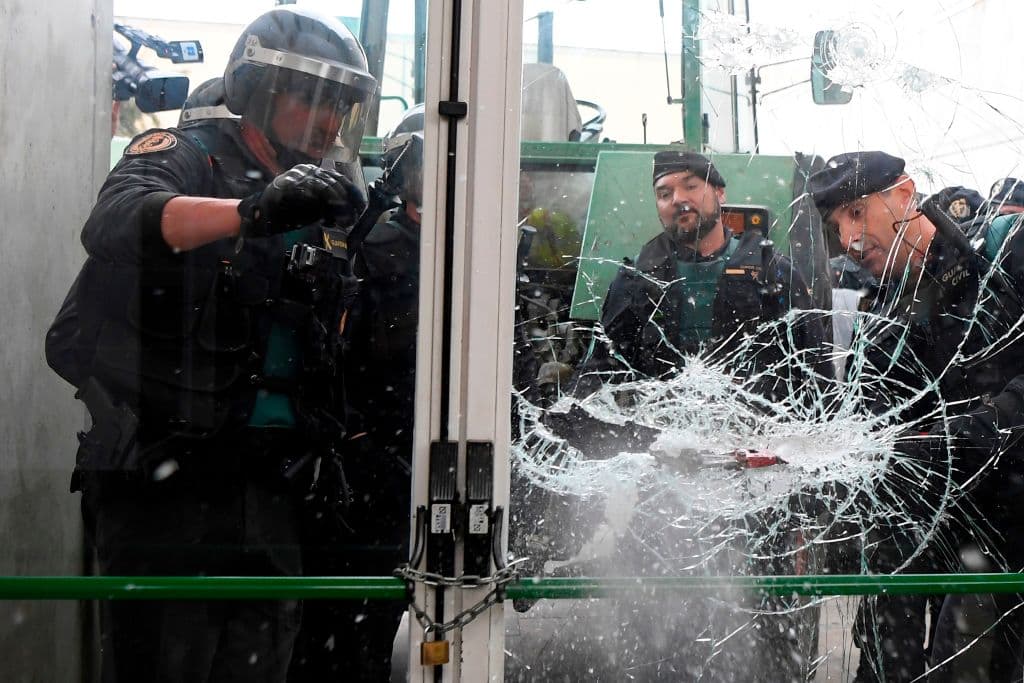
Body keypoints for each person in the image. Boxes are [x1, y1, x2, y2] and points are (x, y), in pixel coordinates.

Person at [58, 8, 377, 682]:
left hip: (272, 487)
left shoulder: (325, 200)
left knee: (264, 660)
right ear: (259, 91)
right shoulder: (189, 156)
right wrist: (248, 213)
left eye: (342, 106)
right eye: (315, 100)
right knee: (164, 661)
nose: (329, 121)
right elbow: (114, 219)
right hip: (168, 485)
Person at [520, 151, 831, 681]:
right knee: (660, 630)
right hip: (667, 483)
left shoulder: (773, 275)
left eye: (690, 186)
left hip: (760, 488)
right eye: (665, 192)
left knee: (770, 629)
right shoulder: (636, 279)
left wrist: (799, 469)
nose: (678, 200)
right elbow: (607, 375)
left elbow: (813, 381)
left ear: (720, 194)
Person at [808, 151, 1024, 682]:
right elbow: (875, 428)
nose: (849, 241)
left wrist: (992, 423)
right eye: (838, 227)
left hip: (1007, 527)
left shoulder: (1002, 254)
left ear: (904, 194)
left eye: (857, 213)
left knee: (971, 659)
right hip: (931, 528)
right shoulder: (882, 313)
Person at [288, 104, 423, 682]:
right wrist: (363, 443)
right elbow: (329, 360)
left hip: (442, 470)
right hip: (366, 475)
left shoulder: (487, 256)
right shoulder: (367, 248)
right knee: (339, 634)